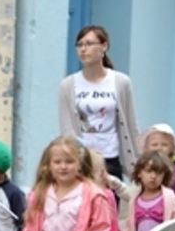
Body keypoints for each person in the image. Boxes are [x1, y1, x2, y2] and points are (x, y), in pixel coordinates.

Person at [58, 24, 139, 179]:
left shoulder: (121, 81)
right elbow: (67, 128)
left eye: (89, 44)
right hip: (83, 159)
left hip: (111, 157)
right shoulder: (68, 85)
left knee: (113, 193)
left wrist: (138, 159)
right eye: (79, 45)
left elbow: (131, 124)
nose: (83, 49)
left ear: (104, 46)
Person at [113, 151, 175, 231]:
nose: (153, 176)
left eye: (158, 172)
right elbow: (129, 230)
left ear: (164, 175)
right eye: (149, 171)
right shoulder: (135, 200)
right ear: (139, 173)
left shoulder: (169, 197)